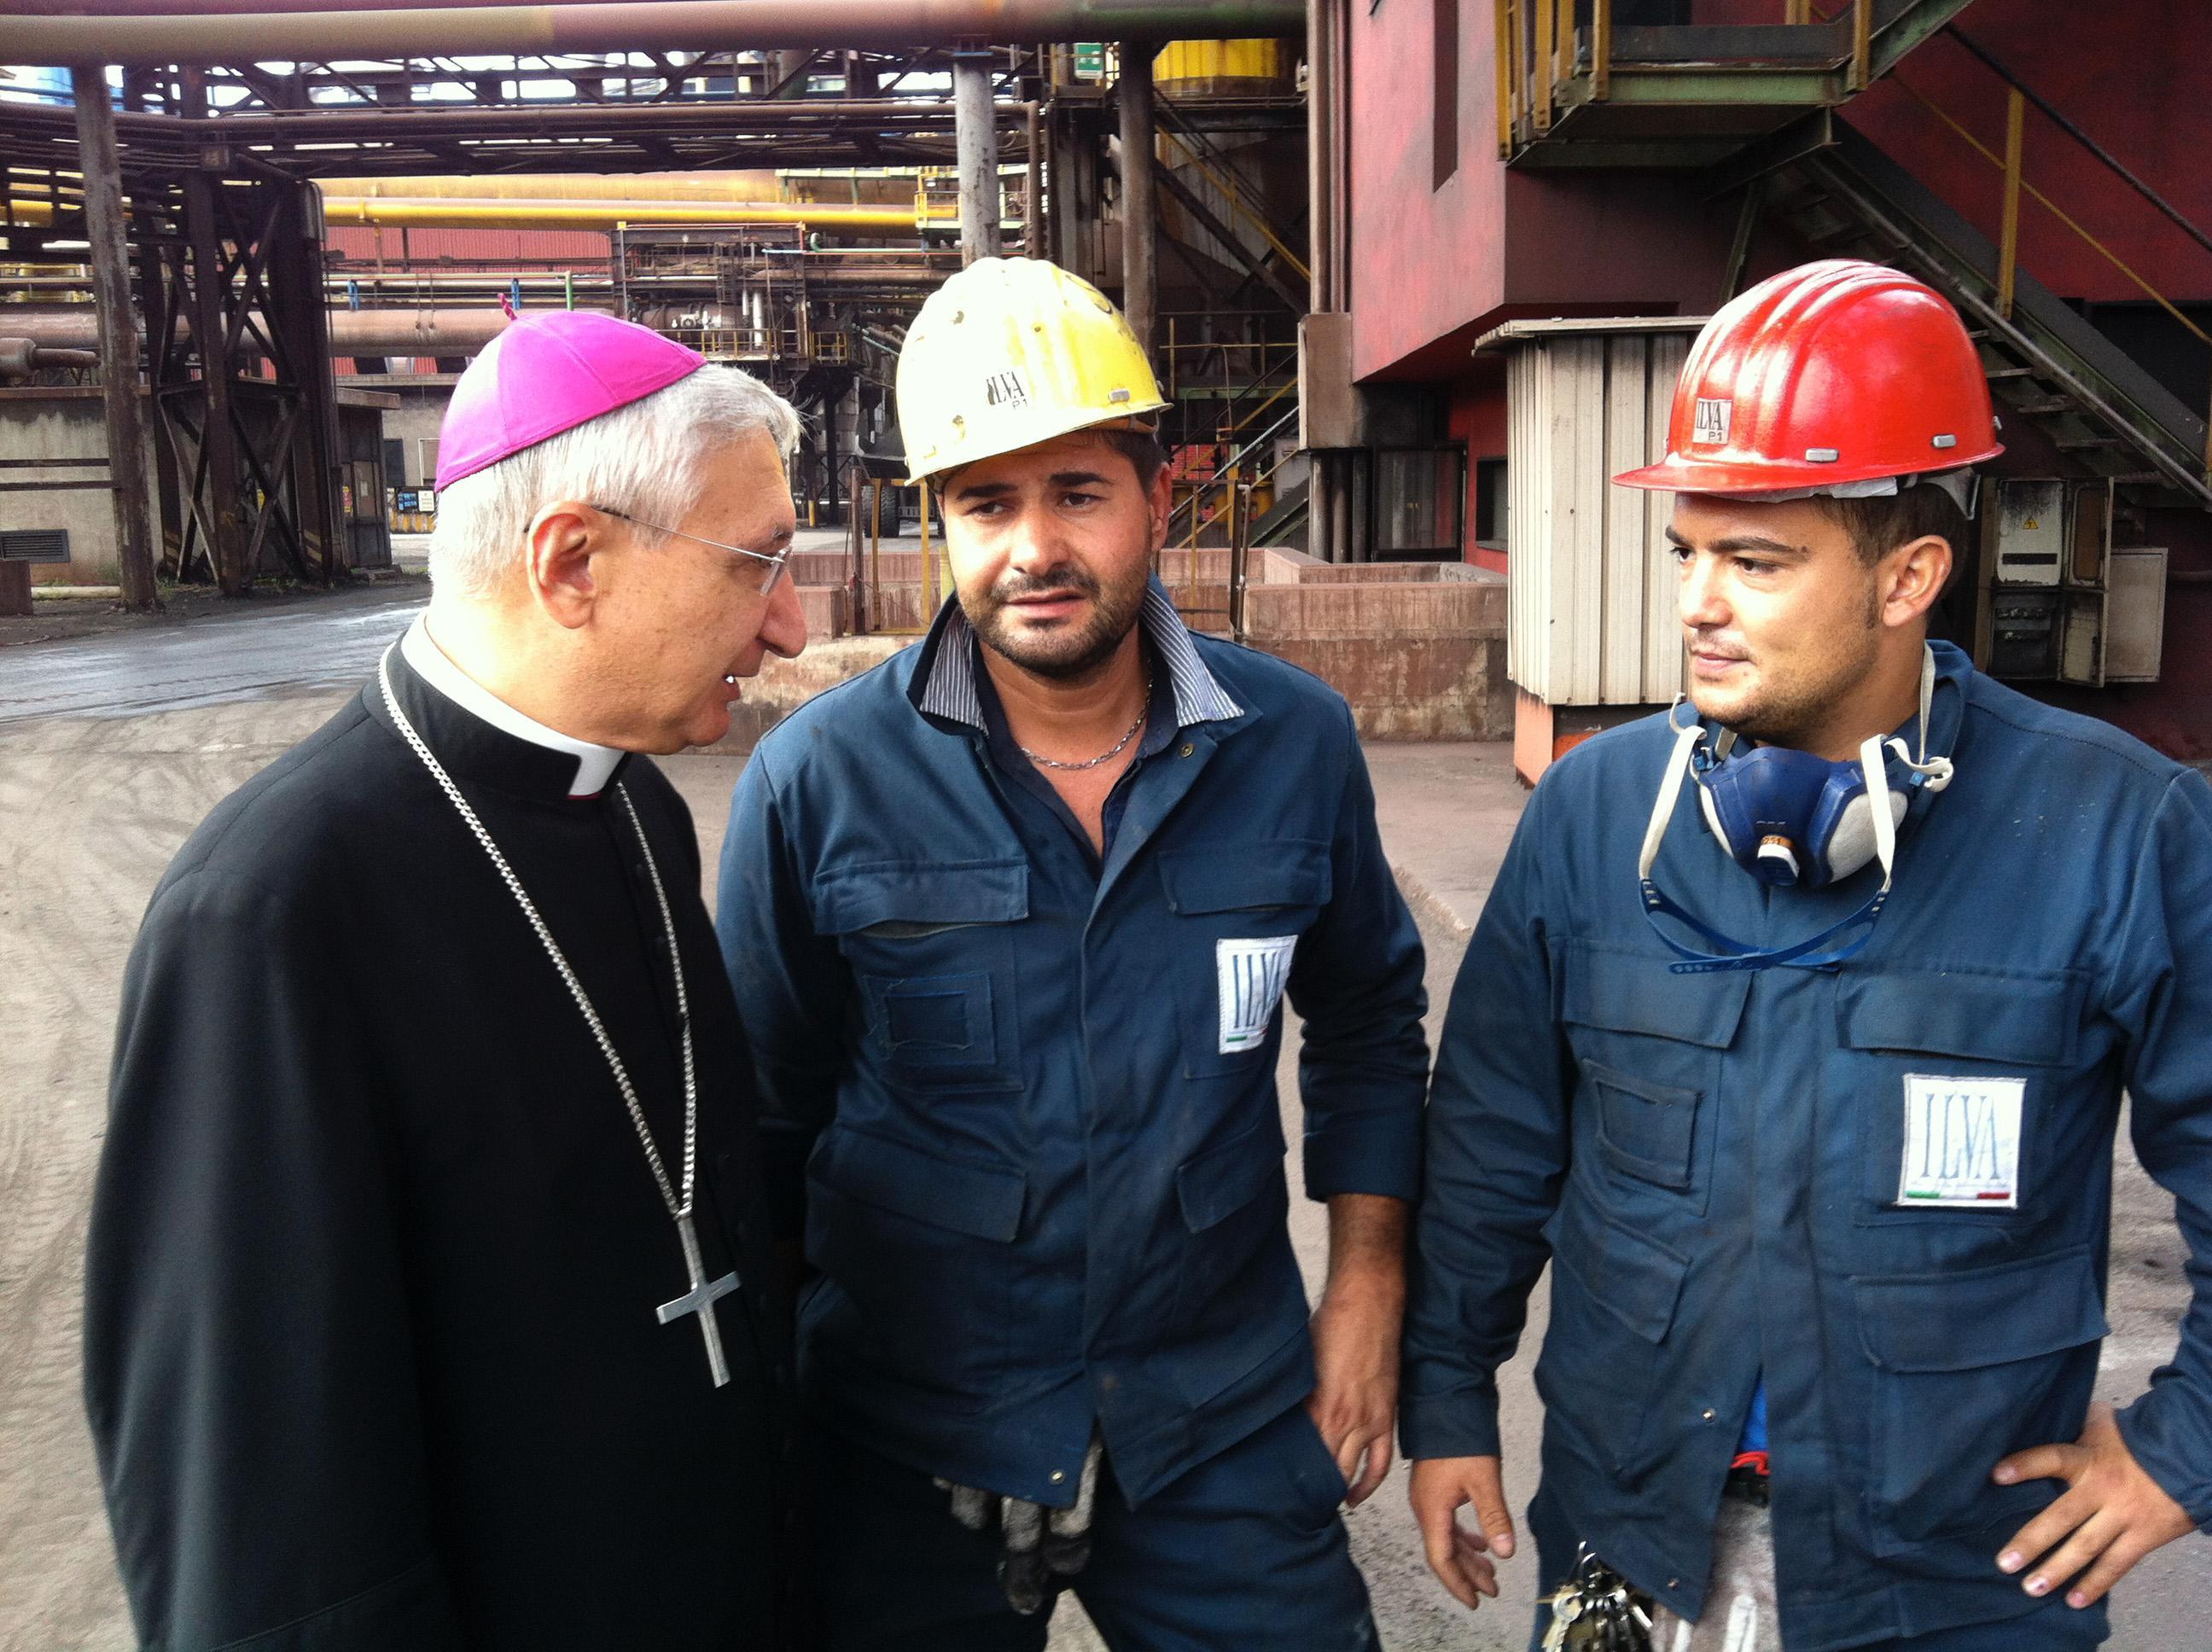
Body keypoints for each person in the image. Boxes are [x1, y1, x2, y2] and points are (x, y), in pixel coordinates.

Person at [1401, 259, 2210, 1651]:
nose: (1697, 603)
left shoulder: (2118, 830)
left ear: (1908, 577)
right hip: (1629, 1531)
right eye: (1688, 553)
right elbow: (1490, 1150)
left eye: (1756, 562)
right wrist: (1449, 1401)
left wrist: (2181, 1453)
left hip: (1955, 1578)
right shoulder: (1596, 817)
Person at [715, 256, 1429, 1649]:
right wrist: (784, 1418)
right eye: (987, 503)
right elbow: (768, 1123)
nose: (1034, 547)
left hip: (1214, 1411)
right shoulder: (819, 781)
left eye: (1078, 494)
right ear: (938, 522)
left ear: (1158, 499)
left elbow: (1367, 1023)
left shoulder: (1292, 746)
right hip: (912, 1424)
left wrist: (1366, 1288)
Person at [84, 311, 810, 1650]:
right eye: (756, 561)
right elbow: (256, 1506)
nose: (788, 623)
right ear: (573, 562)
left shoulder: (636, 809)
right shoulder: (269, 913)